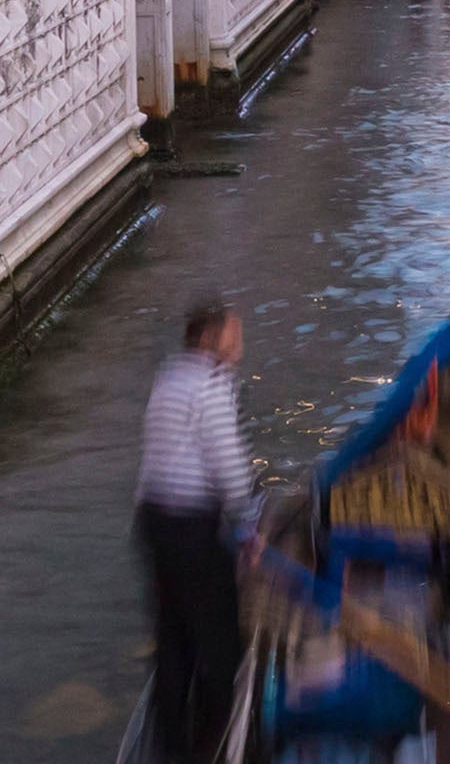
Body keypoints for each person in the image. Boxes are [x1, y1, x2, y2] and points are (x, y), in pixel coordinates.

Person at [136, 301, 258, 763]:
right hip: (193, 529)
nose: (239, 347)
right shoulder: (212, 384)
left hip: (153, 523)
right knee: (220, 641)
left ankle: (169, 746)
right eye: (233, 336)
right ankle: (211, 744)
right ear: (209, 340)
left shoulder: (168, 377)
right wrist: (247, 526)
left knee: (173, 639)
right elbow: (227, 465)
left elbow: (153, 457)